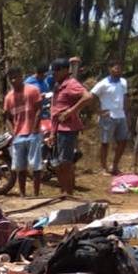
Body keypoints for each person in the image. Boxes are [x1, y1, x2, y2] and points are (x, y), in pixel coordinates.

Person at [49, 57, 94, 195]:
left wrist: (70, 112)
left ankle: (68, 194)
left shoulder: (71, 84)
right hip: (57, 129)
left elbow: (88, 97)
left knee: (65, 163)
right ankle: (64, 192)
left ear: (64, 70)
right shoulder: (58, 86)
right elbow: (54, 111)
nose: (54, 74)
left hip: (67, 129)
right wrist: (52, 133)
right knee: (57, 164)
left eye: (56, 71)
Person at [3, 66, 43, 196]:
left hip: (33, 133)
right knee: (20, 168)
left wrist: (34, 128)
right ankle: (22, 194)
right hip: (18, 135)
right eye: (11, 78)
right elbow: (6, 117)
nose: (14, 80)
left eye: (16, 77)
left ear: (21, 76)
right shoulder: (8, 97)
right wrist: (13, 133)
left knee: (35, 166)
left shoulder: (32, 91)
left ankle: (36, 195)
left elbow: (38, 109)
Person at [90, 61, 129, 175]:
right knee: (105, 143)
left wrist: (127, 113)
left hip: (121, 116)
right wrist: (97, 111)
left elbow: (125, 97)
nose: (118, 70)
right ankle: (103, 168)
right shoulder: (103, 83)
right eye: (115, 68)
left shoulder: (123, 82)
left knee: (123, 141)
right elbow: (91, 96)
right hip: (108, 117)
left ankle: (115, 166)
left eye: (119, 68)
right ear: (109, 69)